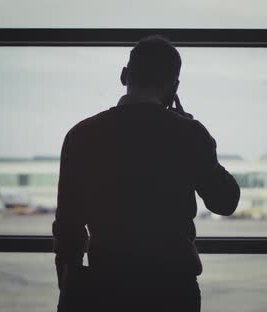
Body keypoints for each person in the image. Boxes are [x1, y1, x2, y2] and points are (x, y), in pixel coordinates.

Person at [52, 35, 240, 312]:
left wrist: (69, 289)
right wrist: (199, 140)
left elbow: (68, 226)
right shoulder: (189, 134)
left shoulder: (82, 135)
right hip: (172, 289)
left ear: (125, 75)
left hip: (106, 286)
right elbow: (225, 202)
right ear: (173, 87)